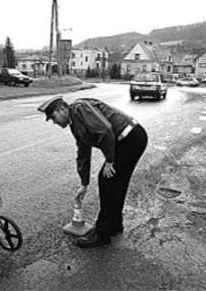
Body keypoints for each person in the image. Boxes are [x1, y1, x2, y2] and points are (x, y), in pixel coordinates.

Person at [38, 96, 148, 248]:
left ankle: (102, 234)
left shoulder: (79, 109)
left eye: (53, 117)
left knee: (107, 181)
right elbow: (83, 153)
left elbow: (105, 129)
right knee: (117, 183)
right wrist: (84, 184)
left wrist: (110, 159)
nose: (54, 122)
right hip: (130, 139)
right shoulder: (75, 123)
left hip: (130, 138)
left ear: (62, 109)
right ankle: (114, 225)